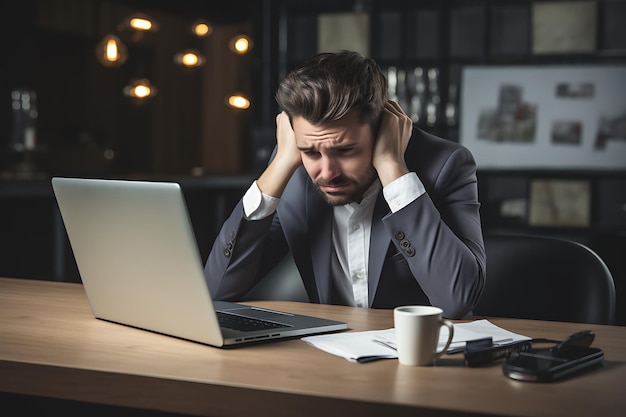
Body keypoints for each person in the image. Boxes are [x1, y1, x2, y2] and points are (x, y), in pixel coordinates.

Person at [204, 50, 485, 319]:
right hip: (330, 354)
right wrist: (279, 165)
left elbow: (456, 300)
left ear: (380, 132)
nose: (327, 172)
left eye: (345, 150)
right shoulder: (292, 169)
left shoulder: (446, 165)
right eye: (311, 151)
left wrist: (392, 167)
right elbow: (218, 290)